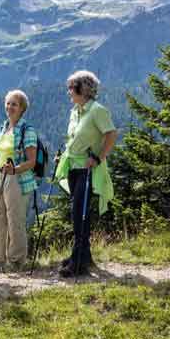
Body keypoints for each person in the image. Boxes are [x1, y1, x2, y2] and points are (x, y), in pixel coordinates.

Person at [54, 70, 117, 277]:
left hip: (88, 169)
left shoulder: (97, 111)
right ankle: (83, 255)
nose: (68, 92)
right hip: (73, 167)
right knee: (77, 213)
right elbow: (74, 139)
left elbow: (111, 134)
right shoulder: (76, 111)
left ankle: (78, 261)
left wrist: (99, 157)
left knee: (79, 213)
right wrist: (64, 156)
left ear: (84, 89)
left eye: (71, 88)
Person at [0, 89, 39, 273]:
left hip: (18, 180)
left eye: (14, 104)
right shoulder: (4, 126)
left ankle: (16, 262)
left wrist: (14, 169)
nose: (10, 107)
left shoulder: (27, 130)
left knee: (15, 221)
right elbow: (1, 154)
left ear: (22, 108)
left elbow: (32, 161)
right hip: (1, 176)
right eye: (8, 103)